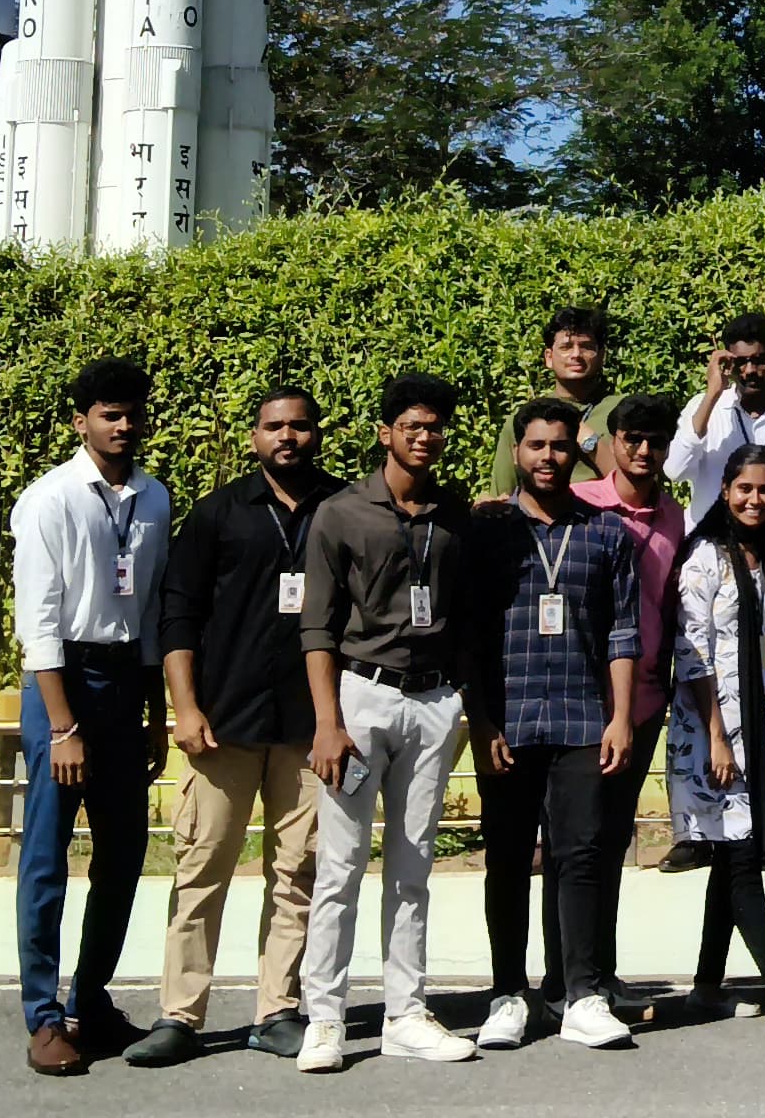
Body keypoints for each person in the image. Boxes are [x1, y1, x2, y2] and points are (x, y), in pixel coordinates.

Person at [133, 386, 334, 1067]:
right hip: (224, 724)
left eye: (300, 426)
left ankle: (278, 1010)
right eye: (274, 427)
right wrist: (185, 708)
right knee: (201, 870)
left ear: (316, 434)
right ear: (254, 437)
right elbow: (178, 616)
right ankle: (179, 1015)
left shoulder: (340, 508)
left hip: (309, 729)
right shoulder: (217, 513)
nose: (288, 437)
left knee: (298, 873)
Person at [298, 372, 479, 1069]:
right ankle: (324, 1019)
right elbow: (317, 626)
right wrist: (328, 722)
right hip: (361, 698)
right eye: (411, 426)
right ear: (385, 433)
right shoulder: (342, 513)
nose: (424, 437)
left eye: (434, 427)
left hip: (433, 704)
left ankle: (406, 1011)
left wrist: (461, 699)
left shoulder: (455, 515)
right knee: (339, 866)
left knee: (412, 868)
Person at [9, 356, 172, 1077]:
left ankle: (90, 999)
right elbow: (39, 621)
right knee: (47, 858)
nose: (123, 425)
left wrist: (157, 713)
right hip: (64, 685)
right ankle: (44, 1018)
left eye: (133, 413)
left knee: (123, 853)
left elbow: (152, 609)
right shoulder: (49, 500)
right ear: (81, 422)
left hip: (126, 682)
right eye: (109, 414)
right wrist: (63, 727)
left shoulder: (154, 497)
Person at [463, 399, 642, 1053]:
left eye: (560, 445)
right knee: (508, 859)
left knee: (581, 856)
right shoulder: (487, 534)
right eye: (536, 445)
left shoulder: (607, 534)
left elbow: (623, 632)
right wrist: (481, 720)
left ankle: (583, 995)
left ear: (576, 453)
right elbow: (470, 637)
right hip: (507, 720)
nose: (548, 457)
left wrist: (620, 718)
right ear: (517, 452)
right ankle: (508, 994)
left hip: (582, 718)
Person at [667, 443, 765, 1034]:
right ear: (725, 491)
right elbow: (693, 652)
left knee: (733, 849)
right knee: (738, 856)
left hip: (759, 732)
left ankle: (706, 987)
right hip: (714, 733)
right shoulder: (706, 557)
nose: (755, 500)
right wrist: (716, 735)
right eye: (744, 489)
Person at [542, 395, 685, 1021]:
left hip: (644, 699)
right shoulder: (580, 505)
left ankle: (599, 972)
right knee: (573, 843)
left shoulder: (673, 516)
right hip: (582, 699)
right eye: (633, 439)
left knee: (611, 841)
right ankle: (561, 980)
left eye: (656, 441)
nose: (644, 451)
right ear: (612, 442)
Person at [672, 313, 765, 522]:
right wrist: (712, 394)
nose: (750, 370)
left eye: (760, 361)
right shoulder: (705, 407)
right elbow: (675, 471)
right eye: (740, 362)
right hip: (712, 539)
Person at [485, 306, 618, 497]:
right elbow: (502, 496)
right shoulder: (526, 418)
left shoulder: (623, 412)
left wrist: (589, 442)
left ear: (601, 356)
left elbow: (637, 487)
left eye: (586, 347)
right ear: (548, 357)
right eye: (566, 347)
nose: (576, 355)